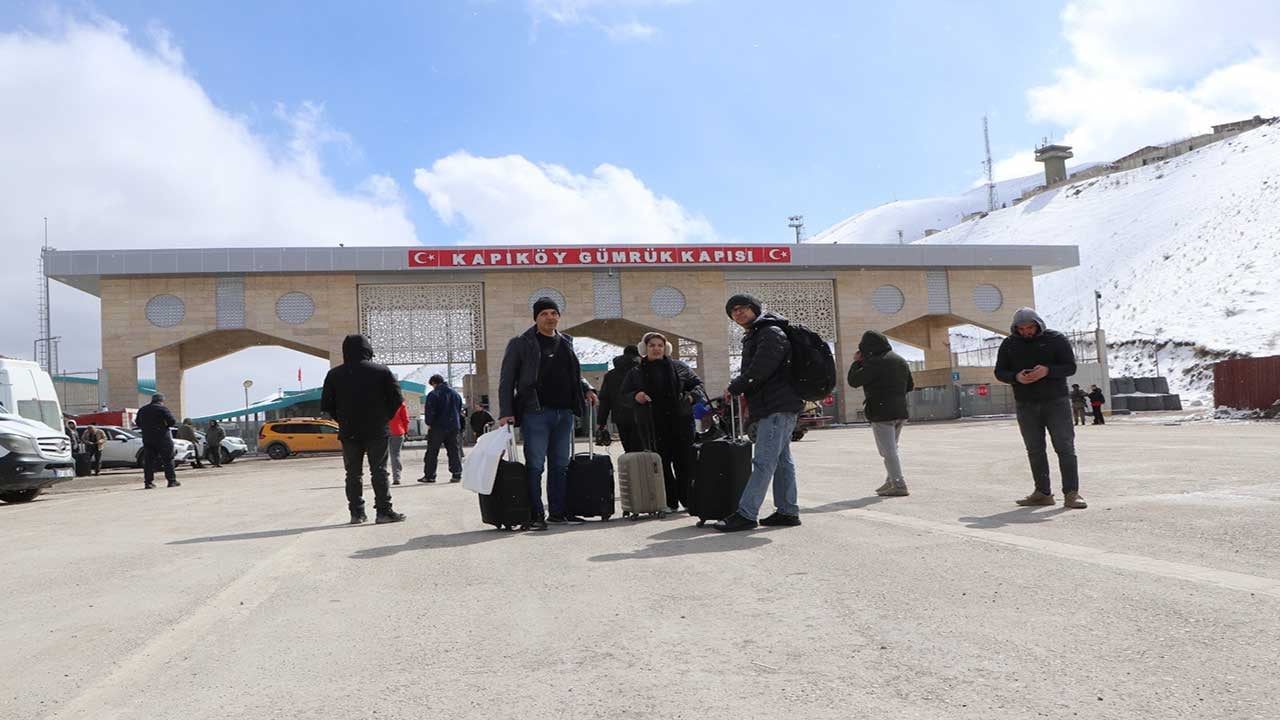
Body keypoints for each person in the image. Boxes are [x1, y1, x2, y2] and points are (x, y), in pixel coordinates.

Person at [497, 296, 598, 530]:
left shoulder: (566, 342)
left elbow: (574, 372)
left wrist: (587, 388)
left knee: (560, 464)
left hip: (565, 413)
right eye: (544, 314)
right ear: (536, 318)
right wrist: (506, 412)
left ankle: (558, 512)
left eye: (554, 313)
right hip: (536, 412)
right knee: (535, 465)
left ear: (559, 317)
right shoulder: (521, 343)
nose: (550, 317)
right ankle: (535, 514)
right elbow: (506, 380)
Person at [716, 293, 804, 531]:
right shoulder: (758, 333)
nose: (738, 313)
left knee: (763, 460)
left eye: (743, 308)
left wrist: (736, 386)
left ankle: (746, 513)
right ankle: (787, 511)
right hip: (776, 405)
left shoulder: (769, 332)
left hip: (777, 406)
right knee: (782, 460)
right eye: (733, 310)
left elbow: (762, 368)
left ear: (754, 309)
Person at [994, 308, 1087, 509]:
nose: (1026, 331)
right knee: (1035, 449)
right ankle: (1042, 493)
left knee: (1065, 447)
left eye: (1030, 327)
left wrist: (1048, 371)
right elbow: (1000, 372)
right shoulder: (1009, 344)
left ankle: (1072, 493)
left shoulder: (1056, 339)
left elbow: (1070, 367)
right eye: (1021, 328)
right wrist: (1016, 377)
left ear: (1038, 324)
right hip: (1025, 404)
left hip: (1056, 402)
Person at [320, 334, 406, 524]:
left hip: (349, 431)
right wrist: (384, 417)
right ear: (368, 349)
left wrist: (343, 420)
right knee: (380, 471)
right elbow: (397, 399)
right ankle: (384, 512)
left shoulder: (334, 374)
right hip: (376, 429)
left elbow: (327, 404)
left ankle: (356, 513)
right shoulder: (381, 371)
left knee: (353, 473)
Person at [620, 332, 705, 513]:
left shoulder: (679, 367)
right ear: (645, 348)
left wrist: (690, 397)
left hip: (680, 422)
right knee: (660, 464)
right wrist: (636, 396)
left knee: (685, 462)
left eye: (660, 345)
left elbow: (698, 385)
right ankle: (666, 501)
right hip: (652, 425)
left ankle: (689, 500)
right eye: (652, 345)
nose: (656, 349)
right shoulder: (636, 372)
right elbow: (624, 396)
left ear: (665, 348)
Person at [846, 330, 914, 497]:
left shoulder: (874, 362)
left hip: (881, 412)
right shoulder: (899, 360)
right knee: (892, 448)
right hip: (900, 411)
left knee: (887, 451)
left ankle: (898, 484)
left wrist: (857, 362)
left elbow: (853, 381)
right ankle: (890, 480)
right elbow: (910, 386)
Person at [419, 375, 463, 484]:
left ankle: (430, 476)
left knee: (432, 452)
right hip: (453, 426)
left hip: (438, 427)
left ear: (434, 383)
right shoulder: (456, 394)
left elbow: (430, 411)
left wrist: (429, 423)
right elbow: (459, 410)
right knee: (453, 450)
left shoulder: (433, 394)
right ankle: (456, 474)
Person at [598, 345, 642, 452]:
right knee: (643, 450)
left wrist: (601, 422)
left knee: (628, 449)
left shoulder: (610, 375)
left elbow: (605, 399)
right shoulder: (641, 371)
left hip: (620, 417)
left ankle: (630, 468)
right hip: (641, 416)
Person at [135, 393, 179, 489]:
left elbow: (137, 423)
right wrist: (165, 426)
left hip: (148, 438)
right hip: (163, 438)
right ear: (161, 401)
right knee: (168, 459)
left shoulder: (142, 410)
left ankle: (148, 482)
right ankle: (171, 481)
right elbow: (172, 421)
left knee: (149, 461)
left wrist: (147, 428)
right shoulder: (162, 409)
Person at [388, 400, 409, 485]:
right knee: (395, 454)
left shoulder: (380, 402)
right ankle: (396, 477)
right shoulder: (400, 404)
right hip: (398, 431)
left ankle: (383, 476)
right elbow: (406, 419)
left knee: (382, 456)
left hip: (383, 432)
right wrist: (406, 431)